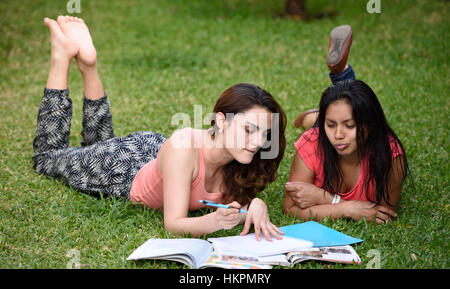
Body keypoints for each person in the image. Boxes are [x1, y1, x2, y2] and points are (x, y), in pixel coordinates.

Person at [33, 16, 287, 241]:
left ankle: (88, 65)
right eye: (248, 130)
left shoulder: (239, 159)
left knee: (95, 144)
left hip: (161, 153)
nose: (257, 143)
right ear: (221, 121)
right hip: (125, 168)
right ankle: (61, 55)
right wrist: (214, 222)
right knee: (48, 159)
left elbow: (241, 205)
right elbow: (173, 224)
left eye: (264, 134)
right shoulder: (188, 149)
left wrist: (257, 205)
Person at [284, 25, 409, 224]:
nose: (338, 135)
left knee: (344, 110)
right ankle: (316, 115)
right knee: (318, 125)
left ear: (369, 125)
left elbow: (383, 216)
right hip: (318, 129)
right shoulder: (312, 142)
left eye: (350, 126)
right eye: (330, 125)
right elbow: (290, 209)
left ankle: (335, 85)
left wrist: (325, 199)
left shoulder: (391, 154)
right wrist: (346, 208)